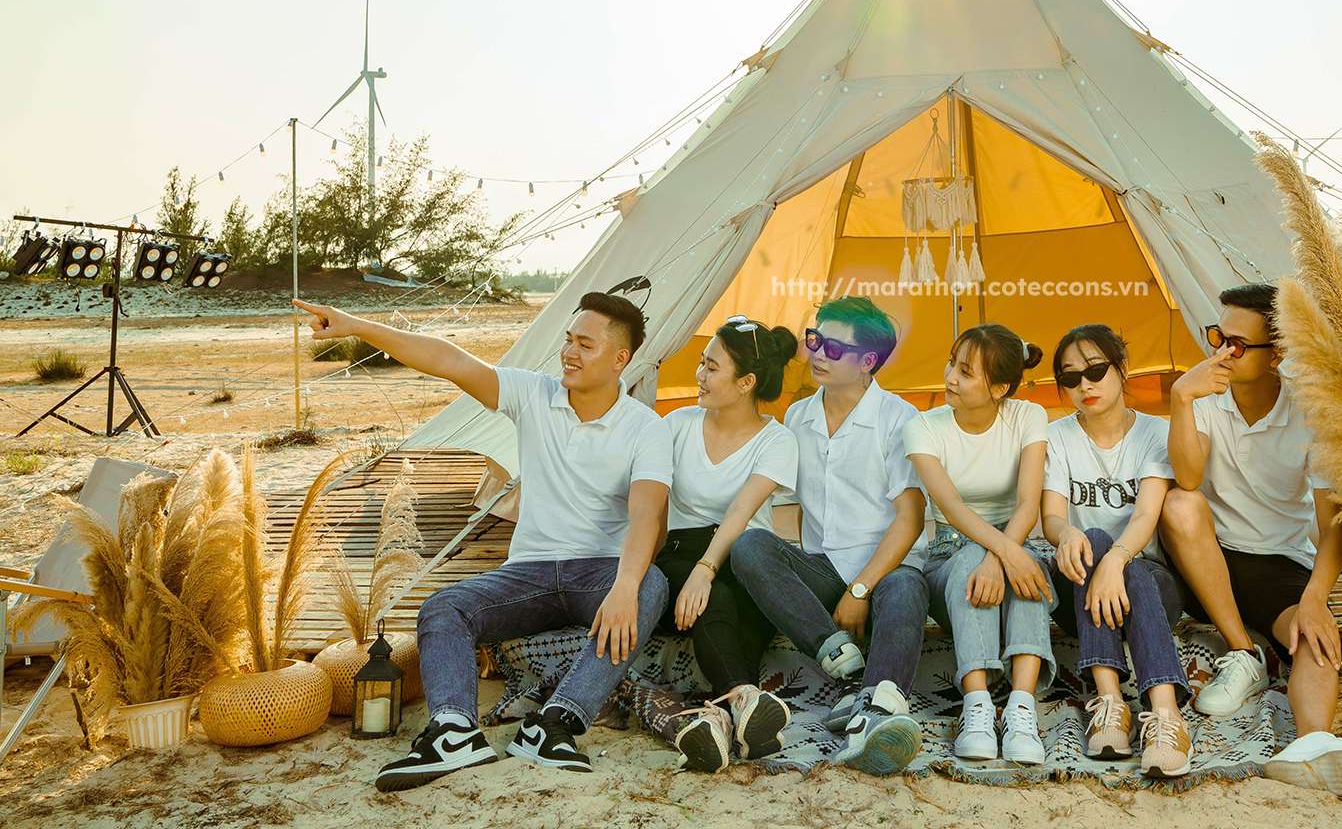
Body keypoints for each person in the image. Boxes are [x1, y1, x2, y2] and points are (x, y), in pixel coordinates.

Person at [291, 292, 673, 792]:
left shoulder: (646, 428)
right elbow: (449, 360)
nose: (568, 353)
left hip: (596, 573)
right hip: (529, 572)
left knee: (649, 584)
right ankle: (454, 731)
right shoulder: (534, 394)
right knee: (443, 608)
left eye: (585, 344)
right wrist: (357, 325)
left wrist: (624, 586)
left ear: (620, 358)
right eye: (568, 340)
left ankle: (555, 724)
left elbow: (648, 514)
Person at [1159, 283, 1342, 795]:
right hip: (1203, 557)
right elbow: (1188, 478)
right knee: (1179, 504)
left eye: (1237, 344)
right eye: (1217, 337)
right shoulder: (1204, 397)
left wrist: (1315, 599)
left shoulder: (1310, 412)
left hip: (1276, 561)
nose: (1222, 353)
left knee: (1315, 638)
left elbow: (1333, 526)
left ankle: (1313, 744)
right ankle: (1245, 653)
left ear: (1277, 353)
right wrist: (1180, 398)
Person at [732, 296, 930, 776]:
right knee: (750, 545)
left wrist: (861, 589)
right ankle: (842, 662)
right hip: (823, 569)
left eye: (834, 347)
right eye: (815, 339)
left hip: (886, 572)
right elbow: (795, 508)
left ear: (867, 362)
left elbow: (910, 520)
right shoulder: (798, 416)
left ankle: (876, 710)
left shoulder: (900, 418)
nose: (818, 353)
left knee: (907, 586)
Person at [1040, 325, 1192, 777]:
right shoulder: (1057, 436)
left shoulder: (1154, 432)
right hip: (1080, 591)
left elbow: (1145, 516)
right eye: (1070, 377)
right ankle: (1112, 705)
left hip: (1151, 589)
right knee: (1091, 537)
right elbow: (1051, 518)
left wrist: (1115, 560)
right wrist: (1068, 535)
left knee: (1129, 564)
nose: (1084, 385)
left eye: (1095, 370)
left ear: (1122, 369)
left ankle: (1164, 715)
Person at [655, 314, 801, 773]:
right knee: (715, 600)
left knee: (747, 599)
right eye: (702, 362)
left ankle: (721, 719)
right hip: (681, 554)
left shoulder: (777, 440)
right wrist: (699, 571)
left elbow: (741, 511)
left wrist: (709, 568)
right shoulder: (676, 425)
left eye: (711, 367)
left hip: (743, 553)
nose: (699, 374)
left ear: (746, 382)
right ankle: (743, 699)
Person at [905, 324, 1053, 764]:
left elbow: (1028, 504)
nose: (950, 377)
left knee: (1026, 571)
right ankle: (978, 706)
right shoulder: (923, 427)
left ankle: (1021, 707)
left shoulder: (1028, 416)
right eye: (952, 364)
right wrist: (1000, 555)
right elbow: (952, 509)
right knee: (987, 561)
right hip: (950, 553)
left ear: (1000, 388)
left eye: (966, 372)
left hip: (1015, 536)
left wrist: (1002, 555)